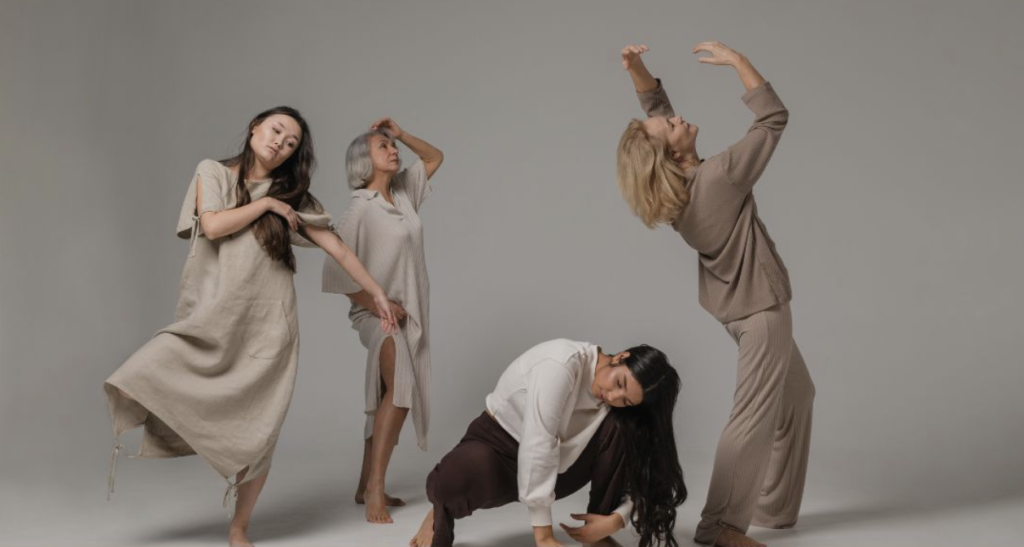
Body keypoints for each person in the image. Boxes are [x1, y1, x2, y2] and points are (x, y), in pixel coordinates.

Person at [104, 106, 397, 547]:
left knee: (260, 433)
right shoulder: (214, 173)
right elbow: (216, 225)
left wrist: (376, 291)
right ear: (256, 126)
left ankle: (239, 527)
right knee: (134, 380)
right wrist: (265, 204)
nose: (280, 141)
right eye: (276, 129)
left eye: (292, 141)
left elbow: (336, 246)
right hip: (212, 318)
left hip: (269, 327)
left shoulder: (293, 195)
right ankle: (199, 432)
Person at [615, 43, 816, 547]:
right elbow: (773, 119)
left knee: (797, 395)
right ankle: (719, 526)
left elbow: (655, 115)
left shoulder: (682, 187)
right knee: (751, 417)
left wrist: (636, 70)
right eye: (672, 127)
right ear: (672, 151)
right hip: (762, 312)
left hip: (737, 312)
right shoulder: (721, 177)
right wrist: (739, 62)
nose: (676, 118)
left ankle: (775, 508)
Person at [409, 339, 687, 547]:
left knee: (624, 426)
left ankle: (596, 533)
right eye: (619, 383)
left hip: (556, 468)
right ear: (622, 357)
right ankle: (439, 510)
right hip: (498, 449)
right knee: (451, 484)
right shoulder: (561, 365)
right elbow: (538, 443)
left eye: (625, 400)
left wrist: (616, 519)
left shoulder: (615, 407)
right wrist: (543, 536)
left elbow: (649, 475)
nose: (613, 396)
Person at [322, 117, 444, 524]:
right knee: (401, 386)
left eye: (394, 147)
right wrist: (381, 304)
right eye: (384, 147)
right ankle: (375, 487)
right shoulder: (359, 208)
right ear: (364, 160)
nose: (394, 151)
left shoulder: (404, 193)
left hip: (409, 311)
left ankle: (362, 485)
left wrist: (401, 131)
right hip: (374, 314)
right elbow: (337, 276)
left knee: (384, 394)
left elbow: (435, 156)